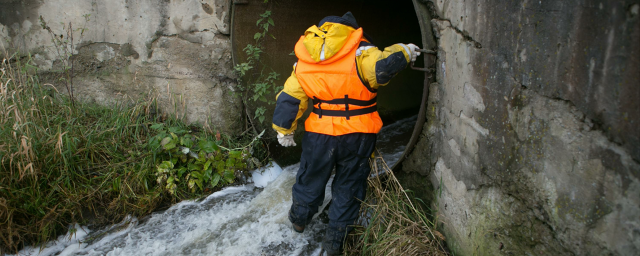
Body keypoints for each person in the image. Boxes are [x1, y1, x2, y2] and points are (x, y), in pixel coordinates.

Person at [271, 11, 420, 255]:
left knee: (310, 179)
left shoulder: (306, 57)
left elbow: (290, 97)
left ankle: (298, 222)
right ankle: (333, 244)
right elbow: (383, 67)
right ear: (350, 30)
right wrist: (405, 50)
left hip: (319, 135)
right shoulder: (362, 52)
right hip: (357, 135)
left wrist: (284, 129)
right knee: (349, 187)